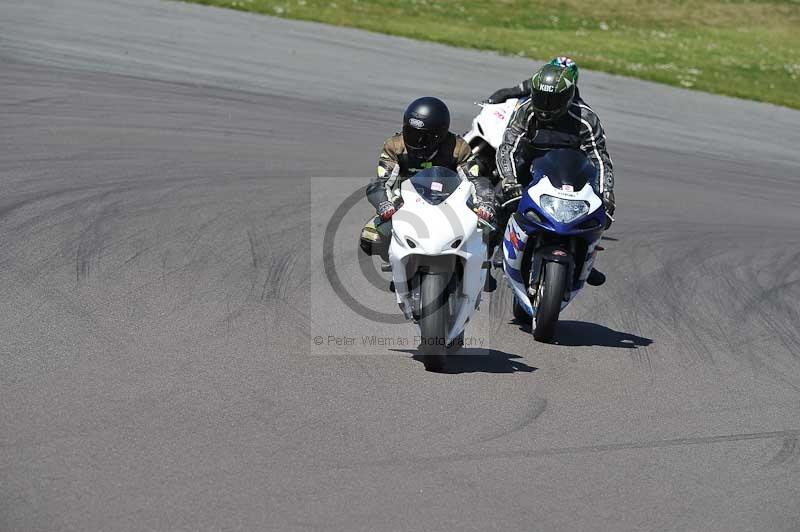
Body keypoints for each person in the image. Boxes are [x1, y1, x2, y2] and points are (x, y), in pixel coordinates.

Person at [485, 57, 615, 285]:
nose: (544, 104)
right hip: (531, 166)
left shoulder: (586, 118)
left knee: (597, 211)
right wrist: (509, 181)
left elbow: (600, 158)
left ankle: (586, 257)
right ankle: (485, 263)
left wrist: (607, 194)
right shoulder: (526, 110)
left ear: (567, 97)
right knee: (499, 204)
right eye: (540, 97)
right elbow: (507, 147)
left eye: (551, 100)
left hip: (570, 172)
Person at [360, 97, 495, 267]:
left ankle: (479, 270)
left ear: (440, 134)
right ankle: (398, 263)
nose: (415, 141)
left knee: (491, 228)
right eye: (411, 133)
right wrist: (384, 205)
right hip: (406, 203)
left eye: (423, 137)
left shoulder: (458, 147)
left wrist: (486, 203)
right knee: (370, 237)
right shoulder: (395, 146)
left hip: (452, 204)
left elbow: (477, 180)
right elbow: (380, 183)